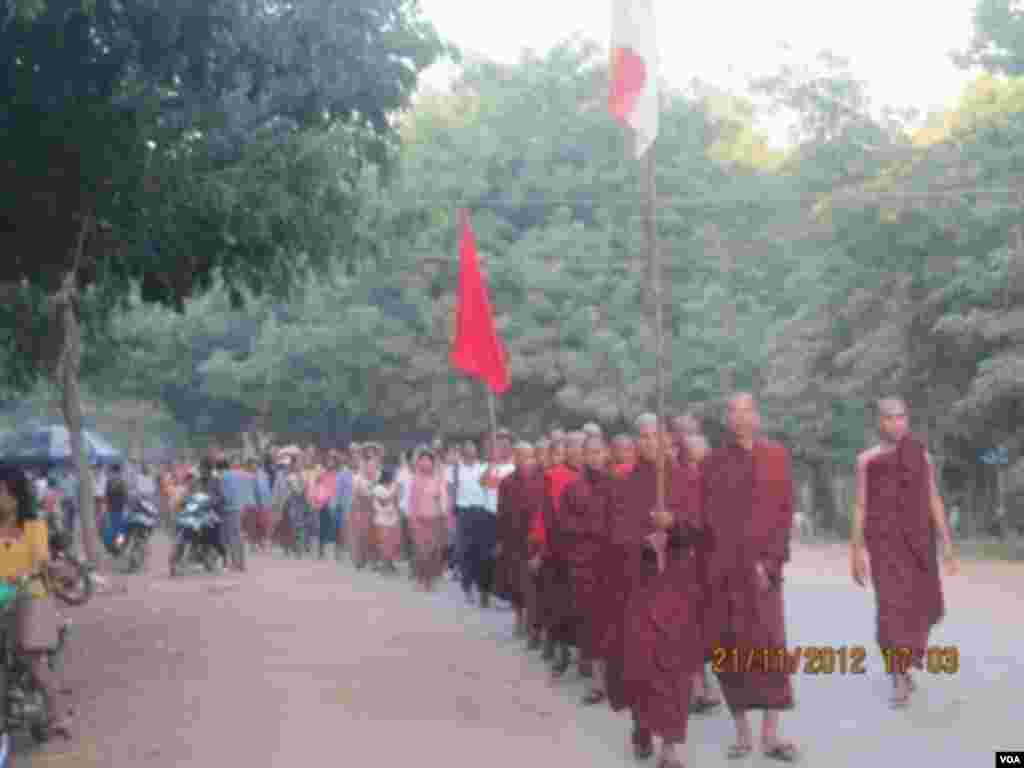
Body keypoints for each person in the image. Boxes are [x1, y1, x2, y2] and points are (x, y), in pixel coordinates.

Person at [602, 414, 707, 768]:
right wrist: (643, 540)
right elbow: (615, 535)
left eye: (654, 437)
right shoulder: (625, 484)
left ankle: (670, 748)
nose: (648, 444)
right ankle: (642, 723)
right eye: (642, 438)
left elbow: (700, 529)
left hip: (677, 585)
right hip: (639, 586)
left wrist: (673, 525)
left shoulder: (687, 480)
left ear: (668, 441)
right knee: (641, 664)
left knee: (674, 668)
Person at [702, 393, 798, 762]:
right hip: (727, 572)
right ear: (726, 418)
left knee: (772, 647)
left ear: (757, 416)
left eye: (746, 411)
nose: (740, 418)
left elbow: (783, 510)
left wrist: (770, 561)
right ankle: (742, 734)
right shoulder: (714, 462)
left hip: (766, 573)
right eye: (733, 411)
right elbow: (710, 519)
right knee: (732, 650)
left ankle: (771, 735)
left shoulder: (776, 455)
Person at [851, 397, 958, 707]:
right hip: (884, 545)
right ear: (879, 422)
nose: (896, 423)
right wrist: (855, 551)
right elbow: (860, 504)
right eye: (889, 418)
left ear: (907, 420)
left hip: (918, 543)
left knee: (921, 607)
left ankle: (906, 660)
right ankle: (897, 675)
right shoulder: (867, 460)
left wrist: (946, 542)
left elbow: (933, 497)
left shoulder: (921, 456)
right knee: (891, 608)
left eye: (901, 417)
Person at [0, 465, 72, 738]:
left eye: (1, 491)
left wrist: (35, 572)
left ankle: (57, 716)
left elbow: (41, 561)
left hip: (30, 594)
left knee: (33, 658)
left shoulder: (35, 527)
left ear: (15, 496)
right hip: (1, 594)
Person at [558, 434, 616, 705]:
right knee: (591, 624)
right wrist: (590, 529)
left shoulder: (617, 485)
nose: (594, 457)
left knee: (614, 623)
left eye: (598, 452)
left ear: (605, 454)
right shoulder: (573, 489)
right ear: (583, 455)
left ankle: (615, 679)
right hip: (584, 564)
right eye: (589, 452)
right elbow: (565, 526)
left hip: (614, 564)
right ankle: (597, 682)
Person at [493, 441, 544, 637]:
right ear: (515, 459)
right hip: (513, 539)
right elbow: (501, 512)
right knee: (515, 581)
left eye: (529, 457)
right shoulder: (506, 482)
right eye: (521, 457)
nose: (525, 461)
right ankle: (518, 618)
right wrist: (499, 540)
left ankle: (532, 622)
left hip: (533, 539)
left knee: (532, 582)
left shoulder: (541, 480)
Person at [407, 448, 449, 590]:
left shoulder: (438, 480)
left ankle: (429, 580)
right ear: (419, 463)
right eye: (422, 460)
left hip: (435, 520)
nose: (425, 463)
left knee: (433, 551)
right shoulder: (415, 480)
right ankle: (421, 579)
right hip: (419, 520)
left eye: (428, 460)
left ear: (432, 463)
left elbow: (443, 498)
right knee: (421, 551)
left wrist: (444, 515)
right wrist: (412, 520)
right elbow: (411, 501)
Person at [452, 441, 487, 603]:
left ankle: (482, 588)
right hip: (464, 511)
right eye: (467, 449)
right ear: (463, 452)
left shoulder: (483, 468)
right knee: (464, 550)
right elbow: (452, 490)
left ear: (476, 452)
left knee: (480, 552)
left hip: (481, 511)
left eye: (473, 448)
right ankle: (467, 587)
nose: (470, 451)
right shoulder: (456, 469)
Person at [349, 444, 382, 569]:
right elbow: (358, 492)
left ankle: (374, 560)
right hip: (361, 507)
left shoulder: (379, 474)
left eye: (374, 460)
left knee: (375, 534)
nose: (370, 465)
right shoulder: (358, 477)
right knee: (361, 533)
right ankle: (360, 559)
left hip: (376, 507)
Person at [372, 466, 401, 573]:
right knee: (383, 542)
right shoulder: (378, 488)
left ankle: (389, 563)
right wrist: (394, 492)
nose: (392, 478)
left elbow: (395, 501)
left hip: (392, 518)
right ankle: (382, 564)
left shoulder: (393, 487)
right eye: (391, 476)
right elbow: (385, 500)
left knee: (392, 542)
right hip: (381, 519)